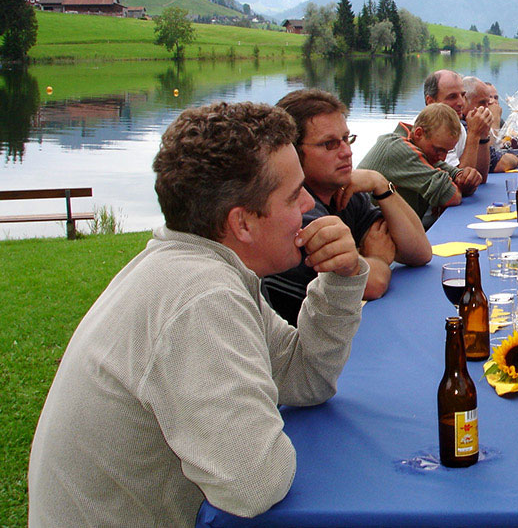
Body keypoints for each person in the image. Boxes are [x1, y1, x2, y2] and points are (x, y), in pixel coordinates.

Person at [28, 102, 369, 527]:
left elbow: (304, 377)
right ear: (242, 224)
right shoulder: (201, 296)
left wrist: (341, 279)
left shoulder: (203, 269)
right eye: (292, 194)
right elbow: (255, 482)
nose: (308, 205)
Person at [262, 89, 432, 323]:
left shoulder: (346, 193)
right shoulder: (298, 211)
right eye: (329, 144)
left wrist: (380, 184)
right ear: (293, 150)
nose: (347, 152)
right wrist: (379, 259)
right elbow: (373, 285)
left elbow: (420, 252)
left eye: (346, 139)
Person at [358, 103, 480, 229]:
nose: (442, 157)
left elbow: (448, 171)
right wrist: (460, 185)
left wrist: (464, 176)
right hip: (367, 238)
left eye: (447, 151)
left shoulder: (418, 147)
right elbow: (450, 195)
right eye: (438, 150)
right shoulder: (399, 149)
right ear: (418, 133)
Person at [424, 69, 491, 181]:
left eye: (463, 95)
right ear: (430, 101)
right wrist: (473, 134)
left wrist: (483, 135)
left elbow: (481, 177)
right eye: (452, 97)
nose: (461, 103)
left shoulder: (458, 127)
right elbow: (458, 183)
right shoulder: (427, 131)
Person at [463, 76, 518, 173]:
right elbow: (497, 163)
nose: (491, 104)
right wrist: (494, 119)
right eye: (483, 102)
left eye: (495, 98)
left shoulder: (495, 119)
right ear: (465, 101)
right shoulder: (462, 125)